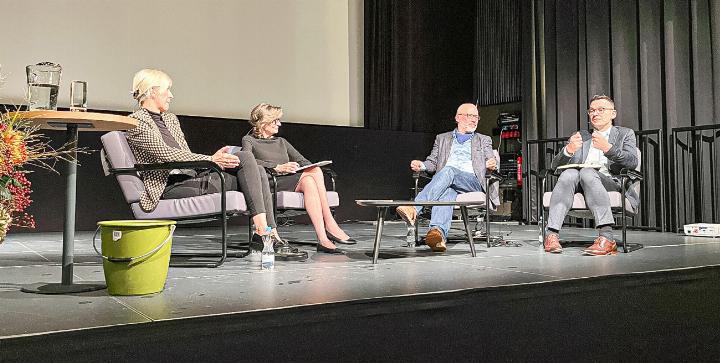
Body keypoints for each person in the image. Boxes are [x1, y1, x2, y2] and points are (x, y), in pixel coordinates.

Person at [124, 69, 281, 243]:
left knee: (256, 169)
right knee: (245, 158)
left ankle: (270, 232)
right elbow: (165, 153)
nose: (171, 95)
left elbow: (185, 154)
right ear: (152, 91)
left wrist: (212, 160)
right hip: (170, 187)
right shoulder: (135, 122)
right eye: (167, 90)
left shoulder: (170, 119)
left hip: (193, 178)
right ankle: (263, 233)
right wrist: (212, 159)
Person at [242, 103, 354, 254]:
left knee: (312, 174)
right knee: (313, 173)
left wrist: (306, 166)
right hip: (268, 181)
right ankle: (330, 224)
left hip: (288, 180)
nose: (279, 124)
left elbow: (303, 160)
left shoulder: (281, 141)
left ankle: (323, 239)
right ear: (264, 121)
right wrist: (276, 166)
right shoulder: (249, 140)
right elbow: (247, 161)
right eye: (275, 121)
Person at [396, 103, 499, 252]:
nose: (474, 120)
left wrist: (491, 164)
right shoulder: (442, 138)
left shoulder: (483, 139)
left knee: (449, 171)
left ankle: (415, 209)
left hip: (472, 181)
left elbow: (490, 159)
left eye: (476, 116)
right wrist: (422, 166)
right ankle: (437, 235)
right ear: (458, 117)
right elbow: (432, 162)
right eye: (470, 115)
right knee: (447, 191)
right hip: (447, 181)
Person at [543, 94, 639, 256]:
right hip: (580, 182)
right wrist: (568, 151)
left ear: (613, 114)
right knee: (569, 174)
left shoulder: (625, 134)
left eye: (601, 109)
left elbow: (632, 161)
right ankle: (551, 234)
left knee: (587, 172)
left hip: (610, 181)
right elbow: (554, 167)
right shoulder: (582, 136)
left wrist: (608, 148)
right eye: (592, 110)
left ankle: (607, 237)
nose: (595, 113)